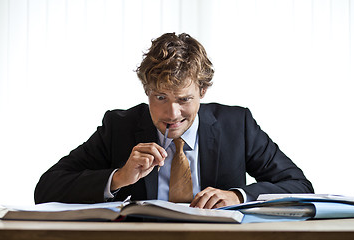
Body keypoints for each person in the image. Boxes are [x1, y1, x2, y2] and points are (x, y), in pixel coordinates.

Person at [34, 33, 314, 209]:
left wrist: (239, 197)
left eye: (184, 100)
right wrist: (119, 177)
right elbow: (46, 188)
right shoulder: (119, 127)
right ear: (147, 91)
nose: (171, 114)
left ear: (202, 92)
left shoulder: (236, 125)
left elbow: (299, 185)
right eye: (160, 98)